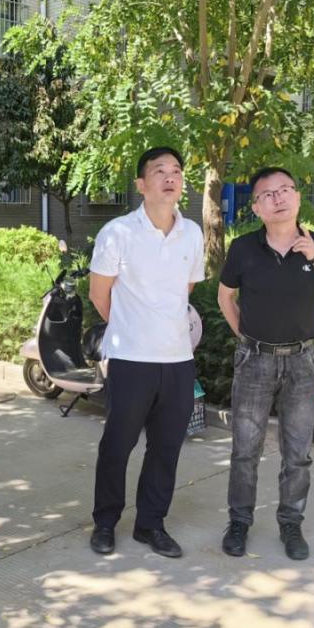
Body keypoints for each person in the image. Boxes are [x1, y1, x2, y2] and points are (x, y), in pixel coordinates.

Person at [217, 167, 314, 560]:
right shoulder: (243, 248)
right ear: (256, 208)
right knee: (245, 449)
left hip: (302, 363)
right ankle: (239, 521)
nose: (278, 198)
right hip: (254, 360)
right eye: (268, 194)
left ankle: (291, 523)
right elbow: (225, 297)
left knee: (298, 452)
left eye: (285, 190)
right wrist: (244, 336)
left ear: (297, 196)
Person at [87, 146, 205, 558]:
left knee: (166, 448)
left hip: (178, 361)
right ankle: (105, 522)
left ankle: (150, 524)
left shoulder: (192, 233)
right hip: (131, 360)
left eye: (176, 171)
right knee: (117, 445)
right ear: (141, 184)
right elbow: (99, 294)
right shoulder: (117, 232)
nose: (170, 177)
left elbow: (185, 289)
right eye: (159, 171)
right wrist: (130, 326)